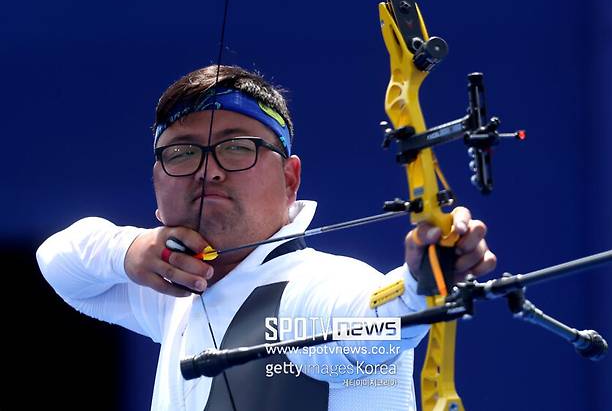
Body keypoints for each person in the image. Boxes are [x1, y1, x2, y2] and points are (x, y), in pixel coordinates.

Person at [36, 64, 496, 410]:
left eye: (238, 147)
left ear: (290, 179)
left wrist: (419, 285)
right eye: (182, 152)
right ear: (156, 182)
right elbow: (58, 260)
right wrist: (130, 251)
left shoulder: (309, 289)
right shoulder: (177, 294)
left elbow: (369, 322)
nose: (208, 169)